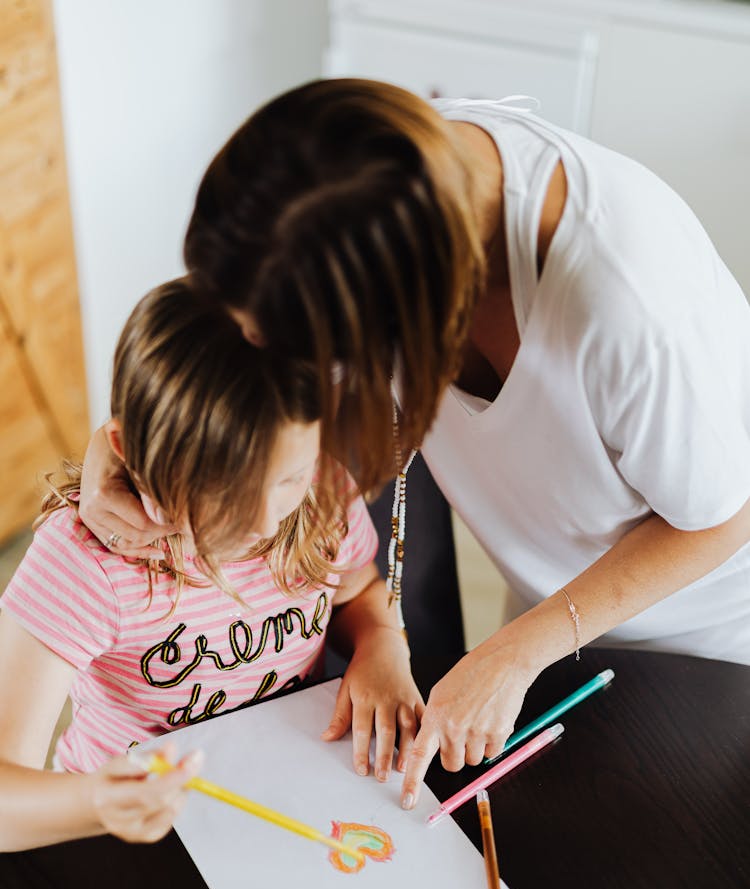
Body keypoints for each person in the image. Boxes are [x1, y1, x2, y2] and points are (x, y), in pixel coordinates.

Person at [76, 79, 750, 811]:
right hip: (554, 610)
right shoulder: (376, 196)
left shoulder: (630, 298)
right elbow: (221, 366)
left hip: (707, 647)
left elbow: (722, 516)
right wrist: (138, 448)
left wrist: (516, 650)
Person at [0, 277, 422, 851]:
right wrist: (96, 803)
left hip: (286, 801)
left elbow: (355, 588)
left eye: (291, 478)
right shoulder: (85, 562)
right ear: (126, 449)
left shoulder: (323, 491)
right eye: (227, 498)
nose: (268, 522)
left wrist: (380, 641)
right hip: (134, 836)